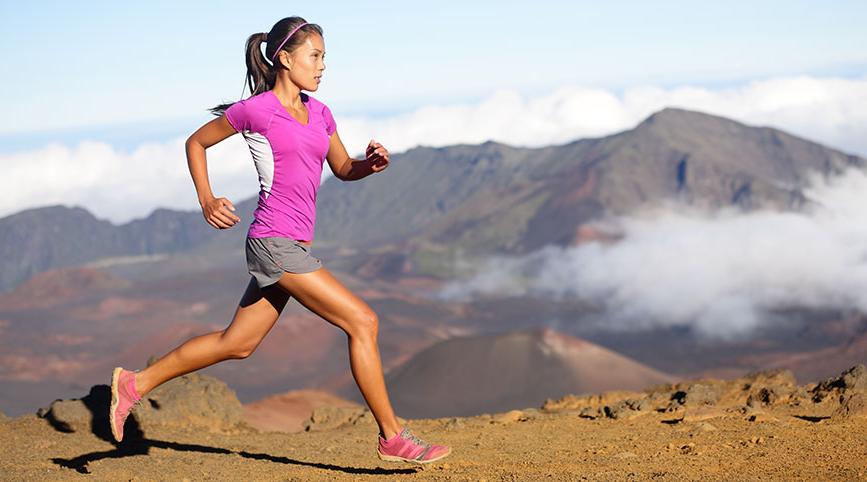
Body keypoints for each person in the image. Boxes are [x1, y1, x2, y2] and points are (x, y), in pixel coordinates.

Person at [109, 16, 451, 465]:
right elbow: (196, 143)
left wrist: (371, 164)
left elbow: (343, 168)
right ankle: (393, 437)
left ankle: (134, 384)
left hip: (294, 245)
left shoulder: (321, 113)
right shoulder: (256, 110)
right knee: (362, 321)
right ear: (285, 59)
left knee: (238, 343)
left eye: (325, 57)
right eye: (315, 56)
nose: (323, 65)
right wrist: (207, 199)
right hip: (272, 241)